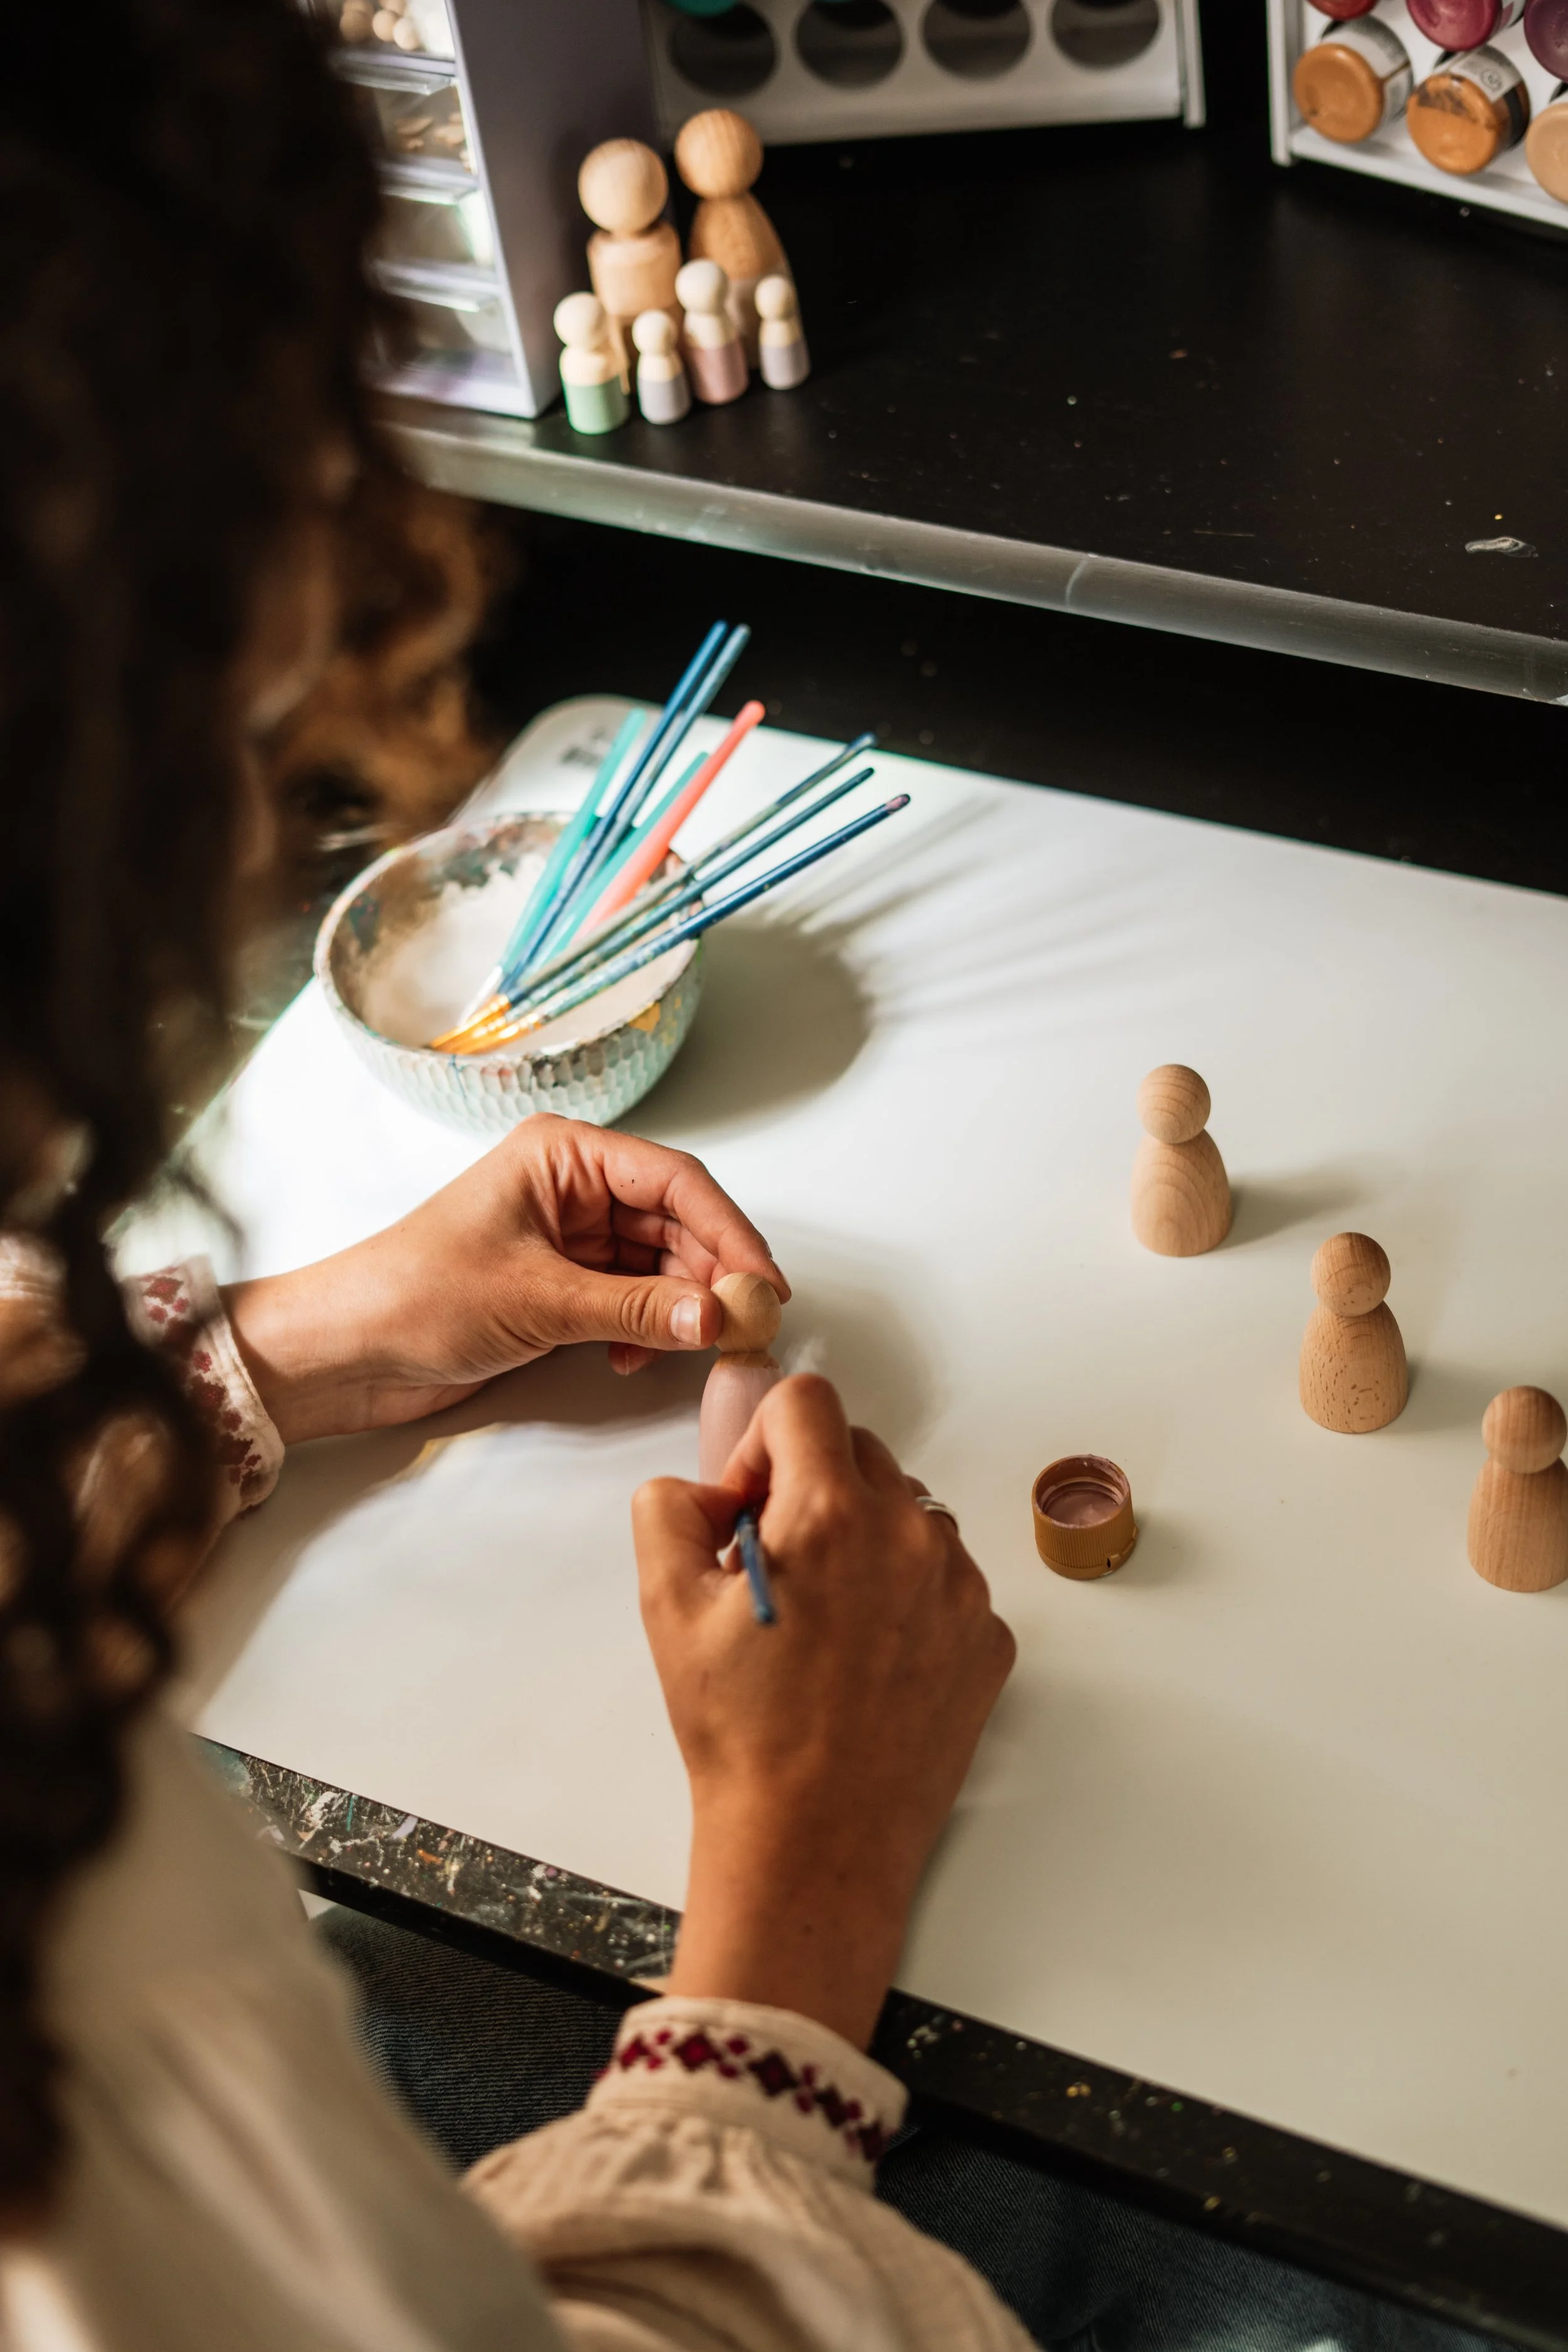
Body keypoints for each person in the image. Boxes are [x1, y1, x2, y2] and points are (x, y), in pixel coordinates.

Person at [0, 8, 1500, 2349]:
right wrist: (792, 1907)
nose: (276, 758)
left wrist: (290, 1350)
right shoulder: (88, 2067)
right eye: (240, 712)